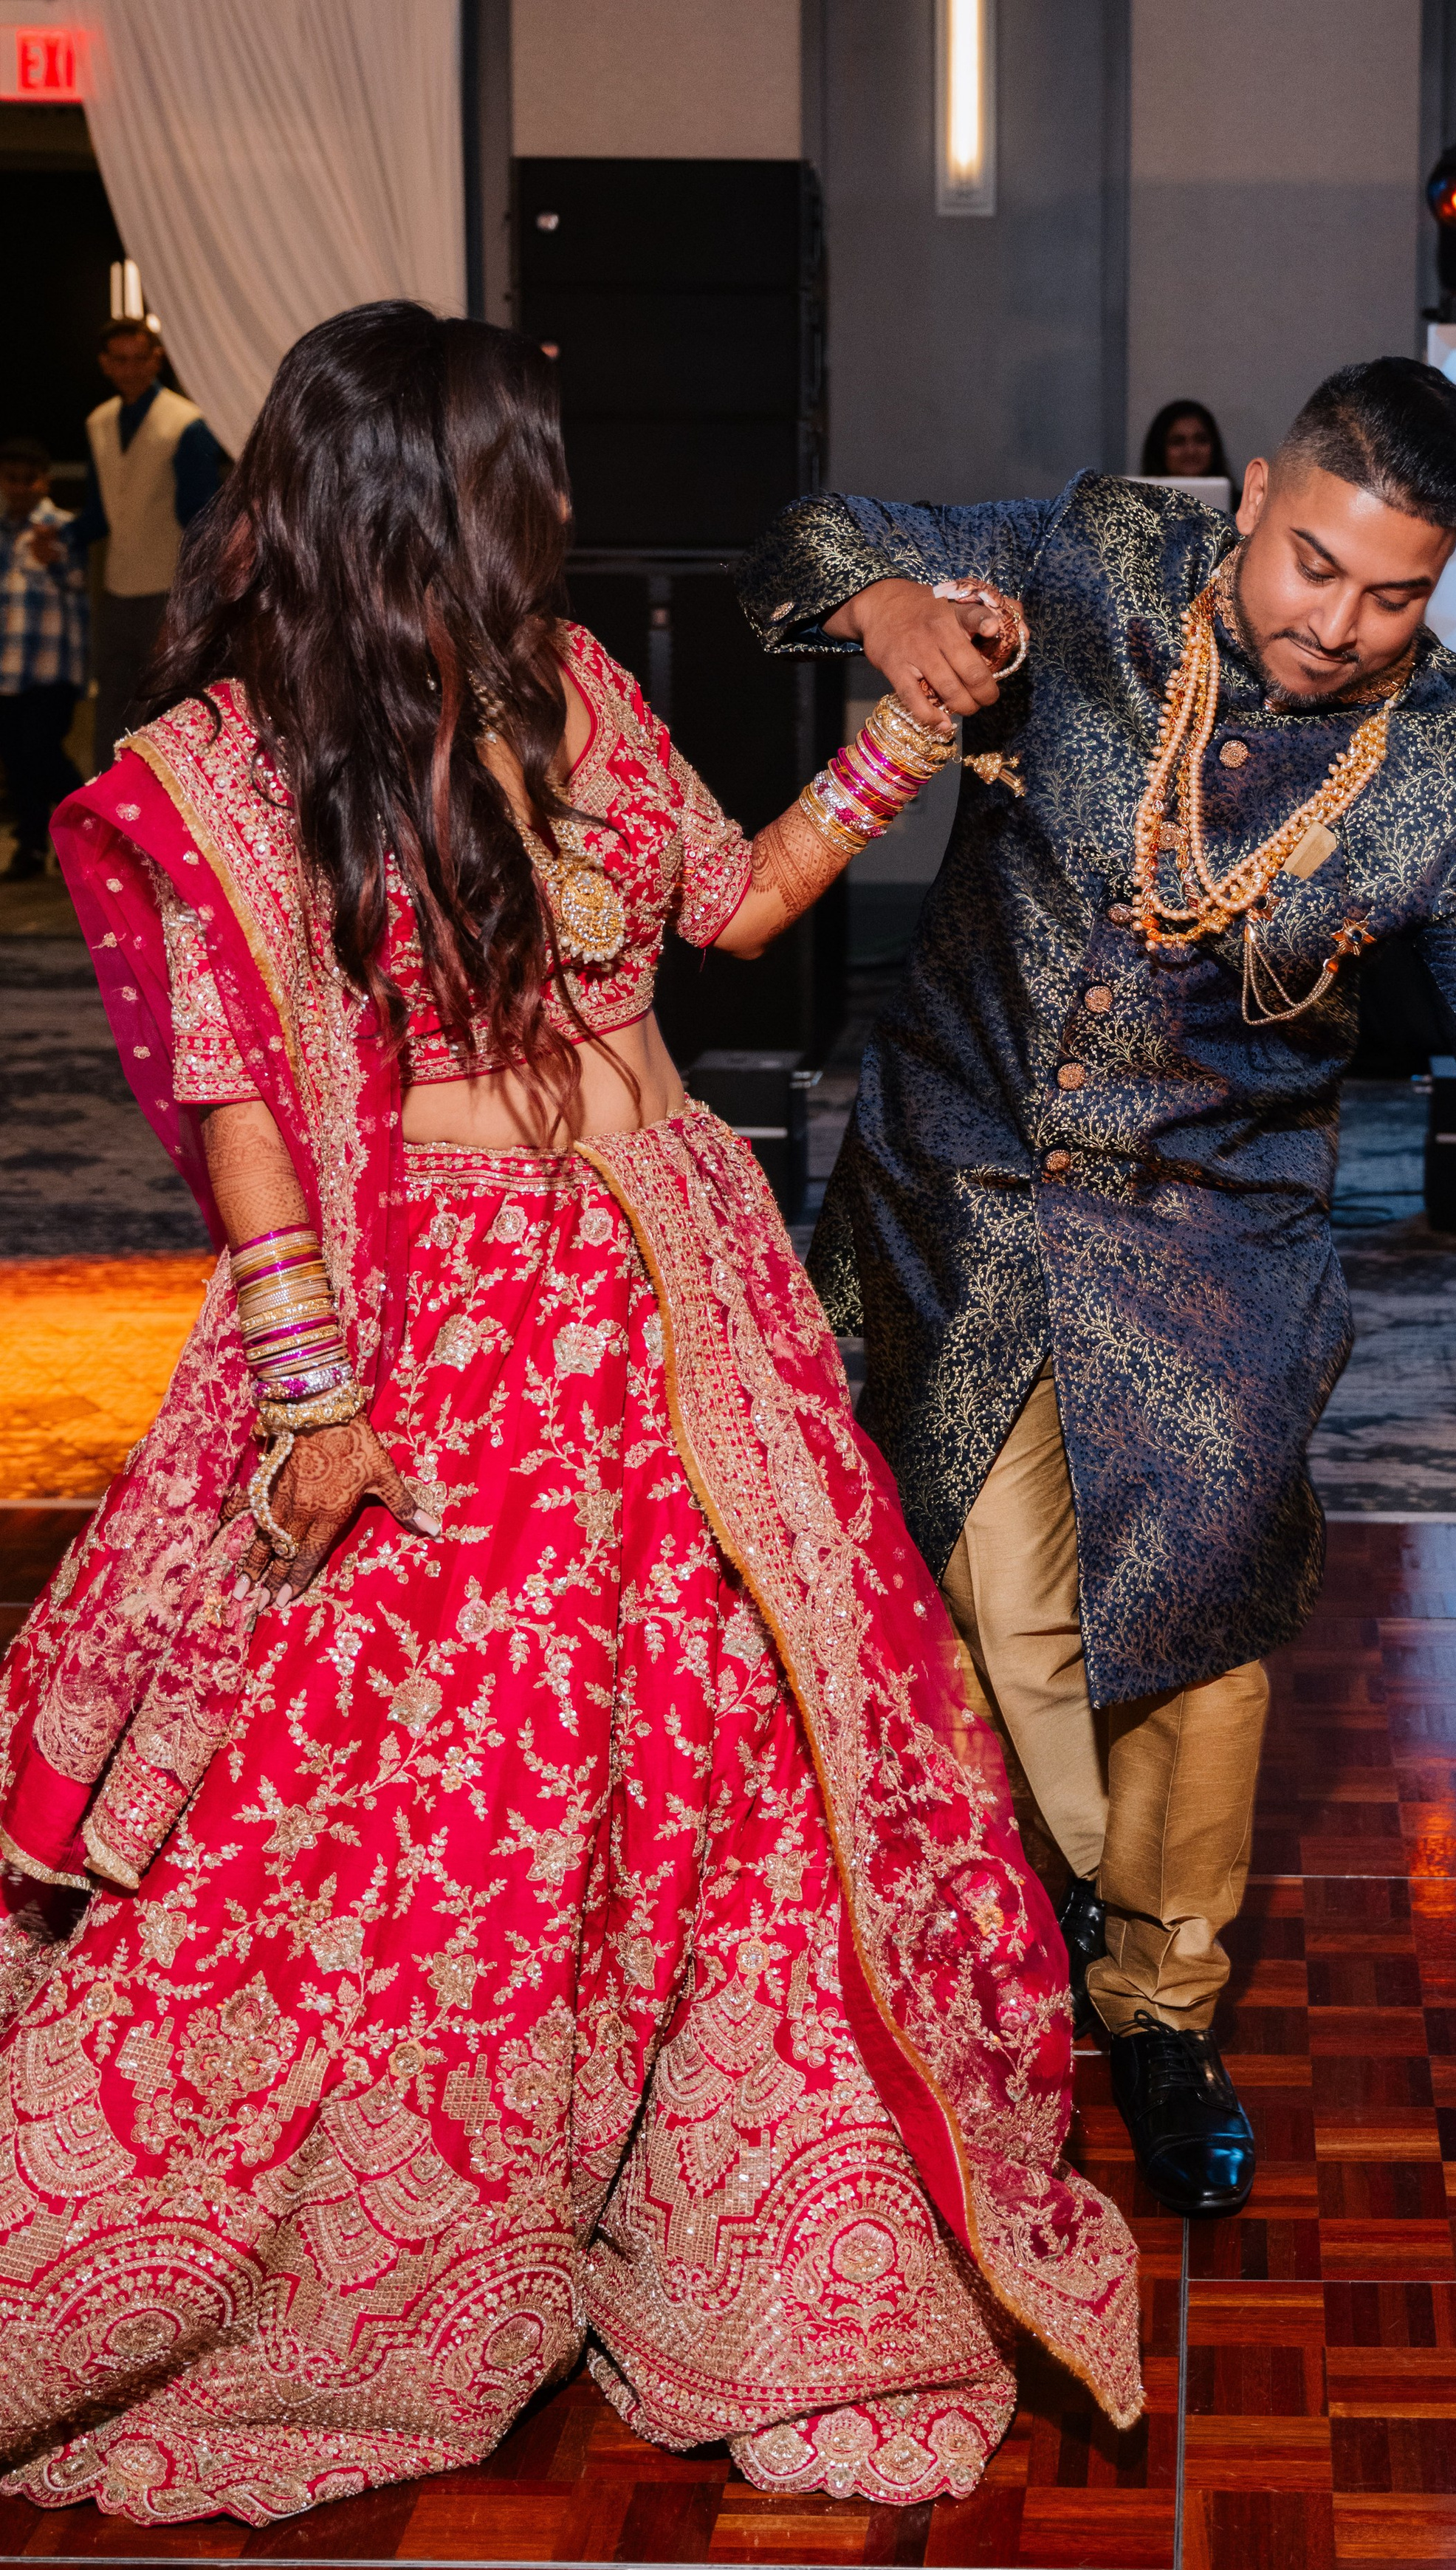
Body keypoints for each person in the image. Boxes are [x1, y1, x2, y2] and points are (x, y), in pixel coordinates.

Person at [0, 304, 1137, 2526]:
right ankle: (409, 2221)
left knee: (735, 1761)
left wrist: (899, 730)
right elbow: (245, 1104)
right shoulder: (242, 759)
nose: (565, 506)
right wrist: (315, 1386)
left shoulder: (574, 688)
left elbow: (734, 905)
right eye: (526, 468)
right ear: (414, 494)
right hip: (443, 1328)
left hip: (685, 1293)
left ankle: (741, 2208)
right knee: (444, 1811)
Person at [737, 356, 1456, 2225]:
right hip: (959, 1182)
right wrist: (880, 605)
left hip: (1219, 1239)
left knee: (1200, 1642)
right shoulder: (1096, 557)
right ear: (1256, 496)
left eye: (1391, 595)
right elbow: (804, 539)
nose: (1336, 625)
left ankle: (1161, 2008)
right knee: (1001, 1596)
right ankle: (1035, 1911)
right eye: (1310, 566)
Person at [70, 319, 222, 762]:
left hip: (170, 586)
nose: (131, 369)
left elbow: (200, 517)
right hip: (117, 587)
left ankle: (165, 814)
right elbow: (100, 514)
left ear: (158, 359)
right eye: (120, 360)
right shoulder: (99, 422)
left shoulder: (186, 423)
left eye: (141, 358)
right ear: (105, 364)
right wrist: (60, 538)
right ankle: (106, 810)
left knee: (165, 702)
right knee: (113, 703)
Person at [0, 437, 86, 881]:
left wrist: (51, 558)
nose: (20, 487)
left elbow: (77, 579)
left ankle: (96, 821)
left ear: (44, 480)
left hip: (51, 669)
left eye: (28, 478)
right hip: (6, 672)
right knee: (17, 761)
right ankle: (32, 847)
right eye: (11, 478)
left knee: (42, 753)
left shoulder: (63, 526)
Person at [1140, 397, 1230, 482]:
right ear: (1159, 449)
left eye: (1201, 440)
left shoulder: (1239, 498)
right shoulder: (1136, 498)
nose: (1191, 451)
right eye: (1177, 442)